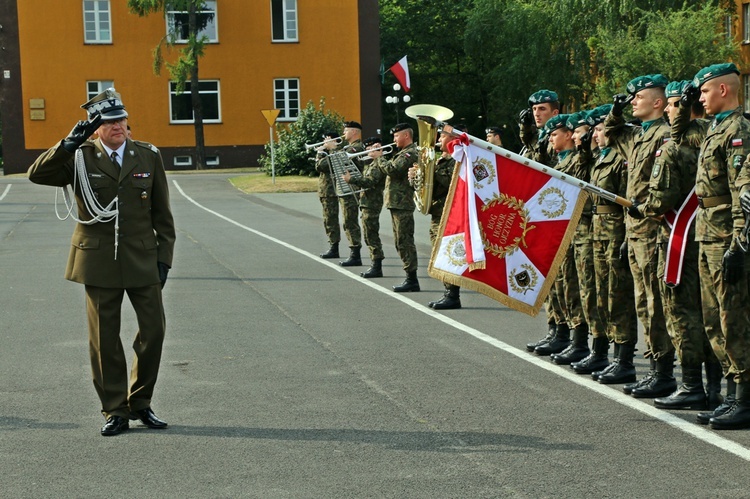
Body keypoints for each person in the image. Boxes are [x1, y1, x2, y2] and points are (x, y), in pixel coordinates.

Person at [27, 88, 176, 436]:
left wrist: (164, 259)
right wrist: (65, 145)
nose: (117, 126)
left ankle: (140, 402)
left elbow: (162, 215)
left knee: (154, 332)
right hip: (97, 259)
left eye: (120, 119)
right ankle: (115, 409)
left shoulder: (148, 155)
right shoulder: (79, 157)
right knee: (104, 338)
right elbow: (36, 174)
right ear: (96, 128)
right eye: (108, 122)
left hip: (142, 257)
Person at [627, 80, 725, 411]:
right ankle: (713, 387)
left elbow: (661, 196)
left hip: (677, 239)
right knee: (710, 313)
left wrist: (641, 208)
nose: (668, 109)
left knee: (681, 313)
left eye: (671, 104)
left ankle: (692, 385)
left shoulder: (674, 145)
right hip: (709, 233)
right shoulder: (713, 136)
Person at [689, 63, 750, 430]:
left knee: (734, 318)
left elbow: (744, 191)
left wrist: (739, 245)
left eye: (705, 92)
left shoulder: (739, 130)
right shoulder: (715, 130)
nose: (700, 98)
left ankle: (744, 398)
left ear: (724, 90)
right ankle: (731, 394)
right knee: (714, 319)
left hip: (727, 236)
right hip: (707, 232)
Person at [603, 74, 674, 392]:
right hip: (634, 231)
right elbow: (611, 133)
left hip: (654, 229)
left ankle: (663, 371)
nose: (633, 102)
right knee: (642, 301)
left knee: (655, 302)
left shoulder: (666, 134)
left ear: (658, 102)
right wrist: (615, 111)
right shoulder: (638, 136)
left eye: (638, 97)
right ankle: (656, 368)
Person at [571, 105, 638, 376]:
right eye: (595, 129)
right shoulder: (600, 157)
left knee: (618, 295)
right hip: (598, 231)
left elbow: (626, 198)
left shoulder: (620, 158)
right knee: (599, 295)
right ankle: (603, 352)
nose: (596, 134)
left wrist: (624, 236)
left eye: (599, 129)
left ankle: (623, 358)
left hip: (615, 231)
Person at [520, 90, 569, 354]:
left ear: (555, 112)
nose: (537, 114)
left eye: (542, 109)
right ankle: (555, 329)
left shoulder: (557, 139)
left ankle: (564, 332)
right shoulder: (538, 139)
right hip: (541, 217)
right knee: (549, 279)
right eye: (534, 110)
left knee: (562, 281)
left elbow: (541, 164)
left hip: (557, 215)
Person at [533, 114, 583, 356]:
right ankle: (557, 330)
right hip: (557, 230)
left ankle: (574, 338)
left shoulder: (576, 160)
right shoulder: (559, 160)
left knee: (570, 287)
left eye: (554, 134)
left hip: (574, 231)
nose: (551, 139)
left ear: (568, 135)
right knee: (557, 285)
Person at [415, 124, 467, 310]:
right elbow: (433, 188)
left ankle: (452, 295)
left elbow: (450, 182)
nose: (438, 140)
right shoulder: (444, 159)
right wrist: (417, 176)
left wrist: (431, 170)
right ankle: (449, 293)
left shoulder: (460, 158)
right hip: (439, 214)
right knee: (441, 255)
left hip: (450, 216)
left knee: (448, 255)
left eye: (442, 136)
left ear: (453, 139)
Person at [374, 123, 420, 292]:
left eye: (396, 136)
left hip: (403, 203)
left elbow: (392, 170)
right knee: (400, 241)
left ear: (406, 136)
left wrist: (379, 157)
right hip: (396, 203)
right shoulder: (401, 152)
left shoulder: (410, 153)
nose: (393, 139)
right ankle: (410, 277)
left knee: (405, 241)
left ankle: (412, 279)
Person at [344, 136, 387, 277]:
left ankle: (377, 266)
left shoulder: (379, 164)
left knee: (371, 234)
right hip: (366, 202)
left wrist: (352, 179)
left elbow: (370, 182)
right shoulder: (370, 164)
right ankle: (374, 264)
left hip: (372, 203)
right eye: (367, 148)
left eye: (372, 148)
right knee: (368, 234)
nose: (368, 150)